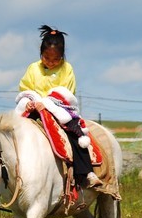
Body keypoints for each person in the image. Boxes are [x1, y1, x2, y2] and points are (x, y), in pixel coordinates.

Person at [17, 26, 98, 188]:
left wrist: (47, 103)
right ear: (41, 54)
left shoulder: (67, 69)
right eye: (46, 58)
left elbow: (65, 92)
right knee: (16, 132)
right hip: (35, 109)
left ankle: (86, 172)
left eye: (56, 59)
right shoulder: (33, 68)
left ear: (62, 57)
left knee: (76, 134)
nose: (51, 62)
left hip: (60, 108)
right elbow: (26, 88)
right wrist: (31, 100)